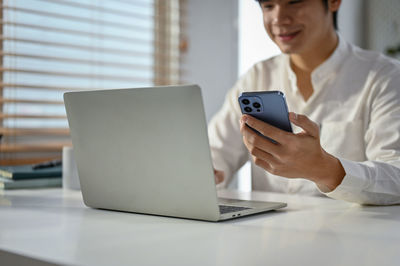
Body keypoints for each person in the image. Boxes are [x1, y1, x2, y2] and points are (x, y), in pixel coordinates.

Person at [208, 0, 400, 205]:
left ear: (334, 2)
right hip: (267, 233)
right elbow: (215, 154)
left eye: (294, 2)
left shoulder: (385, 77)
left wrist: (325, 169)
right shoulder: (257, 76)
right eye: (268, 6)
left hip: (351, 234)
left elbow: (396, 176)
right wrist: (206, 174)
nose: (279, 19)